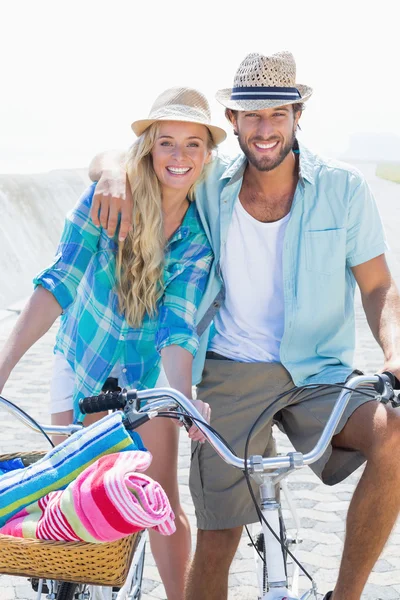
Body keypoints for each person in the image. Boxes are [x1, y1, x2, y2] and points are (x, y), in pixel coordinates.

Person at [88, 51, 400, 600]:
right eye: (251, 115)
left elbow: (378, 287)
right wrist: (112, 170)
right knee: (218, 538)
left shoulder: (343, 189)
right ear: (231, 121)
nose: (264, 129)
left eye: (278, 114)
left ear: (298, 115)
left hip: (318, 371)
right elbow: (138, 156)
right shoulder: (209, 183)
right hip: (229, 372)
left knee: (395, 433)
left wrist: (394, 352)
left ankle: (345, 596)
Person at [0, 86, 228, 600]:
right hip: (84, 358)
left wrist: (184, 397)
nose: (180, 156)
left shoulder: (196, 236)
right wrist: (5, 365)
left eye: (193, 145)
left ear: (208, 155)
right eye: (167, 141)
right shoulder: (109, 198)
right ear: (148, 147)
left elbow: (178, 324)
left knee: (161, 497)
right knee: (68, 493)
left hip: (149, 375)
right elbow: (58, 281)